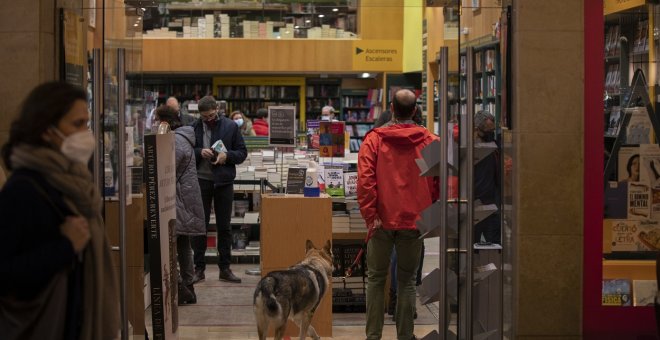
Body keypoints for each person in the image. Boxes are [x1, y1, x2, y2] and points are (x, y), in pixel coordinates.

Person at [0, 81, 119, 339]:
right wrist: (65, 246)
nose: (86, 134)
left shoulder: (75, 182)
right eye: (77, 124)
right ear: (47, 130)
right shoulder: (23, 189)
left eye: (87, 123)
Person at [358, 89, 438, 340]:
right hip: (414, 220)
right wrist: (426, 210)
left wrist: (371, 215)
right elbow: (438, 182)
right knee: (407, 282)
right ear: (415, 110)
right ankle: (405, 335)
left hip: (381, 221)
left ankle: (373, 336)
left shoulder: (374, 139)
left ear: (391, 108)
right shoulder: (431, 141)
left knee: (376, 279)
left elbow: (365, 180)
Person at [191, 96, 247, 284]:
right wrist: (199, 152)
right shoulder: (194, 127)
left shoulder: (231, 126)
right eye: (205, 117)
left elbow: (242, 153)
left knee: (224, 226)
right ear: (199, 115)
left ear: (217, 109)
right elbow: (186, 151)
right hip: (201, 181)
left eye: (211, 115)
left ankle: (225, 268)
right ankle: (199, 269)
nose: (209, 119)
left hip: (223, 181)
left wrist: (226, 156)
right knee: (200, 225)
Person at [153, 105, 206, 304]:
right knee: (183, 243)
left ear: (164, 121)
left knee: (175, 243)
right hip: (185, 196)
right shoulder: (184, 137)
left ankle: (182, 287)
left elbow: (166, 169)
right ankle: (187, 287)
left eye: (158, 120)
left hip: (178, 198)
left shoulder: (175, 140)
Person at [473, 110, 501, 244]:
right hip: (475, 204)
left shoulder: (496, 147)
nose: (490, 135)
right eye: (487, 131)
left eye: (492, 131)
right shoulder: (470, 149)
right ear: (476, 129)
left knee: (494, 246)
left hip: (493, 205)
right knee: (473, 246)